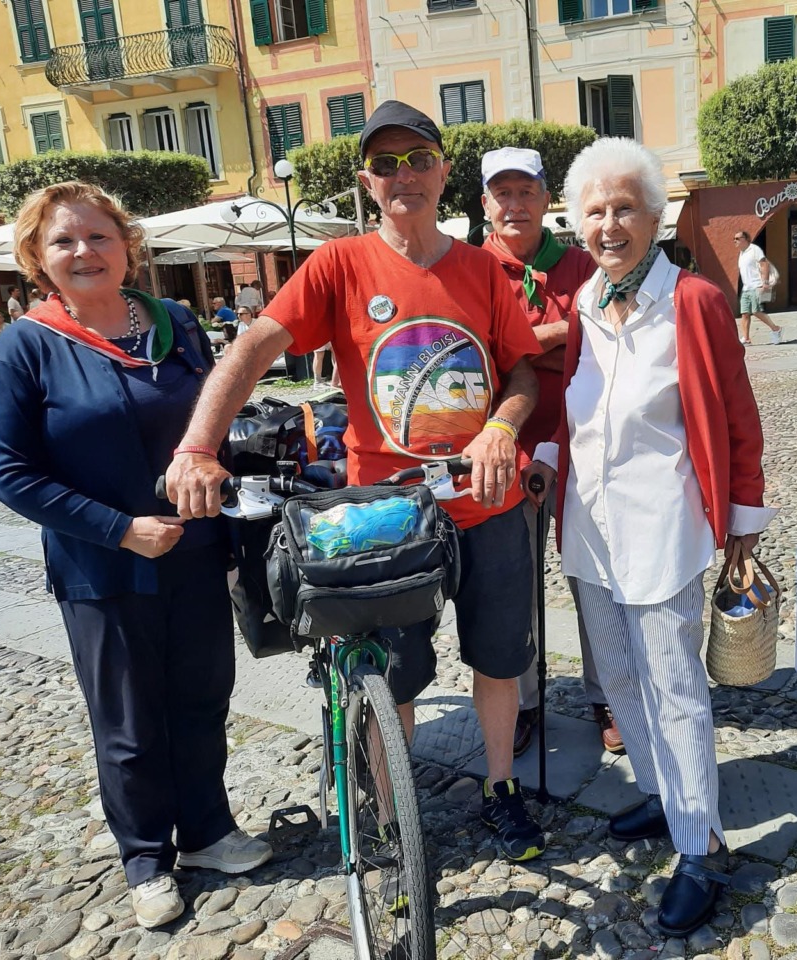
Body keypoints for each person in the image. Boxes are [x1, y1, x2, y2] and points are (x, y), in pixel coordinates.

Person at [165, 100, 549, 863]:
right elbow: (252, 349)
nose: (403, 175)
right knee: (395, 674)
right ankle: (393, 810)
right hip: (388, 511)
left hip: (489, 501)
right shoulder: (338, 265)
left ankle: (501, 787)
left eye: (418, 159)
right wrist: (198, 444)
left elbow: (521, 372)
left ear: (444, 170)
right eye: (385, 164)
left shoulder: (481, 269)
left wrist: (503, 427)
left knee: (501, 658)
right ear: (366, 181)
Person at [0, 182, 271, 931]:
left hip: (197, 553)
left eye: (98, 237)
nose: (84, 252)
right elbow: (7, 473)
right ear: (37, 259)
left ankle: (207, 833)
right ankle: (145, 858)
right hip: (101, 569)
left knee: (203, 699)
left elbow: (210, 418)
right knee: (130, 722)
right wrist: (118, 528)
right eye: (64, 242)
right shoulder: (25, 346)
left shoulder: (174, 322)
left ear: (126, 243)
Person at [523, 138, 776, 937]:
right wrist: (545, 459)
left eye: (624, 207)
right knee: (618, 681)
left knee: (674, 690)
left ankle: (701, 846)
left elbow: (737, 415)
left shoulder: (694, 299)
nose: (608, 224)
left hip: (664, 527)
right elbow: (573, 403)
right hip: (590, 528)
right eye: (593, 210)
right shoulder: (584, 307)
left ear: (657, 214)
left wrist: (742, 516)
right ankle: (665, 799)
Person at [477, 145, 624, 757]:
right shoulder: (468, 268)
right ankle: (524, 701)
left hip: (583, 440)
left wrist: (529, 341)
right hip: (501, 445)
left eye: (526, 191)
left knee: (596, 574)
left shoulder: (584, 265)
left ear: (545, 199)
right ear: (486, 204)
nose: (515, 204)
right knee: (514, 584)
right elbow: (475, 353)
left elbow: (609, 333)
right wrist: (559, 334)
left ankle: (607, 693)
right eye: (502, 193)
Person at [733, 231, 783, 345]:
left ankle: (776, 329)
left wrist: (764, 282)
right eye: (734, 239)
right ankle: (746, 338)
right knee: (745, 313)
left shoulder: (754, 249)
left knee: (756, 311)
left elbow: (764, 264)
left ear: (745, 239)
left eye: (737, 238)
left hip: (756, 285)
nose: (735, 241)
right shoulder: (742, 253)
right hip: (746, 287)